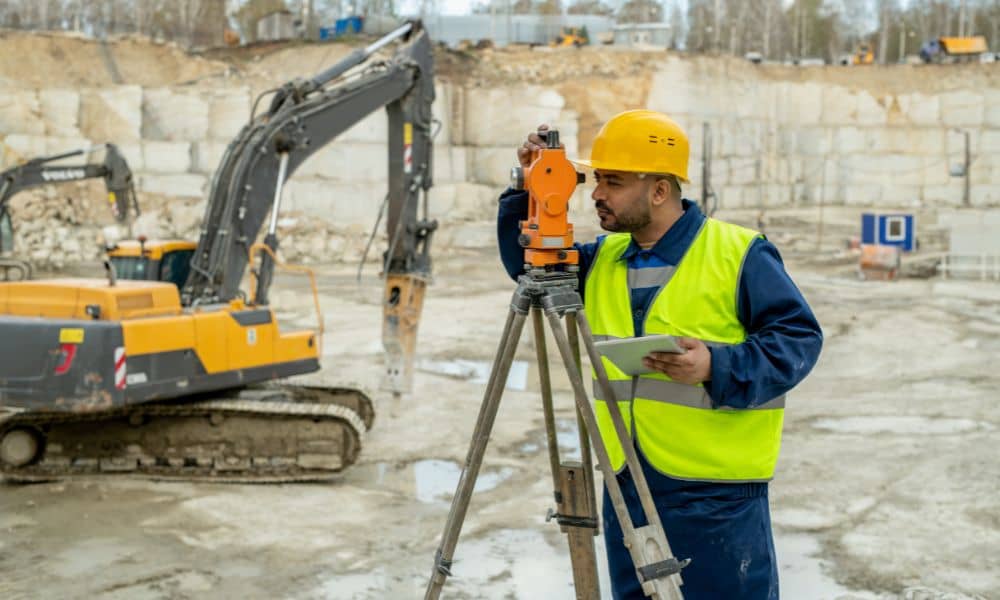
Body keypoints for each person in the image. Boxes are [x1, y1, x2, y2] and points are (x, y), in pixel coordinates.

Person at [496, 110, 823, 599]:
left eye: (614, 181)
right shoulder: (601, 258)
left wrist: (716, 365)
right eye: (597, 179)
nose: (597, 193)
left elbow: (798, 339)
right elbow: (529, 264)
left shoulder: (737, 253)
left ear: (659, 190)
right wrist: (527, 190)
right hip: (627, 483)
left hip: (715, 494)